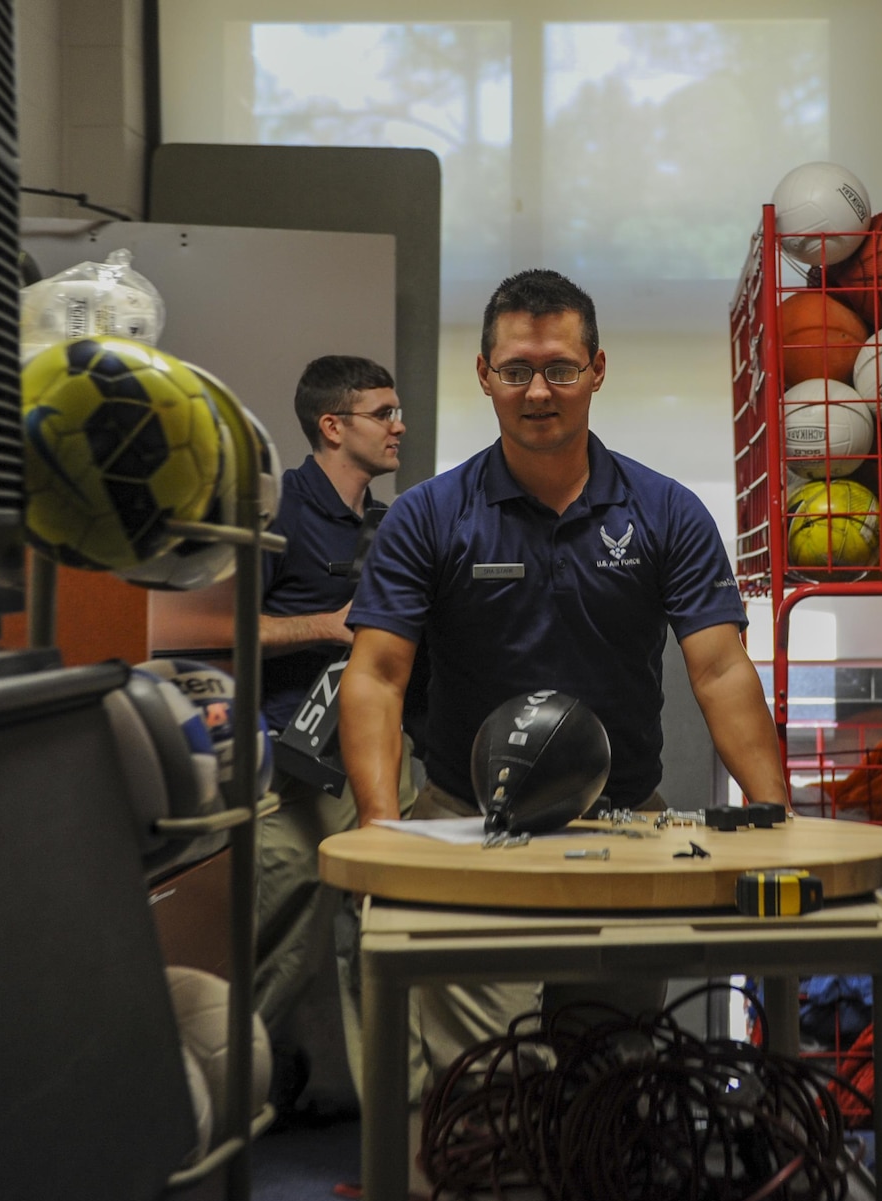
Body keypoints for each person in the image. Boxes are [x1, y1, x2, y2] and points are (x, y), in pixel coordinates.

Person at [339, 268, 790, 1092]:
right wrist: (380, 830)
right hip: (467, 824)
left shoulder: (666, 512)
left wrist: (780, 819)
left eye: (559, 368)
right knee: (486, 1081)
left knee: (614, 1071)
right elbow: (375, 674)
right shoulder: (429, 517)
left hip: (625, 822)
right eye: (516, 369)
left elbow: (722, 670)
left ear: (597, 369)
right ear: (485, 375)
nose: (538, 390)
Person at [214, 354, 423, 1104]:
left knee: (393, 924)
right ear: (333, 426)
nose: (400, 426)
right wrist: (326, 626)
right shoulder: (276, 509)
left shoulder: (390, 521)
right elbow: (217, 627)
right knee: (283, 921)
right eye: (384, 413)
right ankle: (220, 1102)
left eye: (399, 412)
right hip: (289, 760)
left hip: (378, 750)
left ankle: (395, 1131)